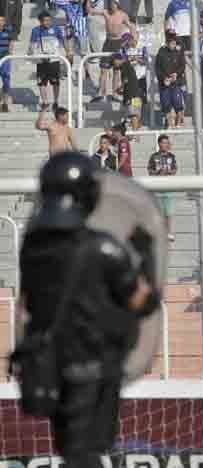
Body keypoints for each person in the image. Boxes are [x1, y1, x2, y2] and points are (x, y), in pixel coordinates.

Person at [17, 152, 160, 468]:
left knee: (72, 449)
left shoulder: (32, 248)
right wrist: (146, 258)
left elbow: (29, 302)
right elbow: (141, 301)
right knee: (85, 454)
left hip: (49, 364)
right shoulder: (103, 248)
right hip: (93, 365)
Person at [86, 0, 136, 103]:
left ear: (117, 5)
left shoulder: (123, 15)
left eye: (113, 3)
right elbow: (90, 11)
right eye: (110, 3)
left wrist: (133, 39)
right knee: (103, 70)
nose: (111, 5)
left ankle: (114, 93)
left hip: (118, 43)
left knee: (116, 71)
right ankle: (101, 93)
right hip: (108, 42)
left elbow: (131, 26)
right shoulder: (105, 12)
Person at [28, 11, 68, 110]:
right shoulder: (36, 30)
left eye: (49, 20)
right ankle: (45, 102)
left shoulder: (56, 29)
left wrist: (68, 51)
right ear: (40, 21)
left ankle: (56, 101)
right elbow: (32, 44)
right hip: (42, 60)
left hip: (54, 59)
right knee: (41, 82)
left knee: (55, 82)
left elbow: (63, 40)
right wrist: (32, 53)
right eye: (45, 21)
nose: (47, 22)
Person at [148, 135, 178, 242]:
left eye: (167, 143)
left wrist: (168, 172)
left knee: (168, 212)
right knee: (158, 212)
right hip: (157, 187)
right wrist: (158, 173)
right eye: (163, 142)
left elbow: (175, 170)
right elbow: (150, 171)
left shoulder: (172, 156)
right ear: (159, 144)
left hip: (168, 187)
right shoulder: (153, 156)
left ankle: (168, 232)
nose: (165, 145)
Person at [155, 30, 186, 129]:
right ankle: (169, 124)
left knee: (178, 103)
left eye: (173, 40)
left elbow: (182, 65)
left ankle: (178, 123)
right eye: (170, 40)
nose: (172, 43)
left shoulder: (179, 50)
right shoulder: (161, 51)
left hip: (176, 82)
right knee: (166, 104)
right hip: (165, 83)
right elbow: (157, 68)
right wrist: (164, 78)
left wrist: (176, 74)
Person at [112, 53, 143, 123]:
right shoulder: (128, 64)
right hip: (136, 94)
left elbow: (126, 80)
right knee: (137, 115)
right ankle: (136, 131)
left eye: (114, 61)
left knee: (133, 115)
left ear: (118, 60)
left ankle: (134, 132)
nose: (114, 63)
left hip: (131, 95)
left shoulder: (124, 66)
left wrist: (120, 88)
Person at [0, 15, 15, 113]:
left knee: (6, 79)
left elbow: (11, 41)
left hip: (5, 57)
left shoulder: (8, 30)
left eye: (1, 20)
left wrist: (10, 52)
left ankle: (5, 102)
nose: (0, 22)